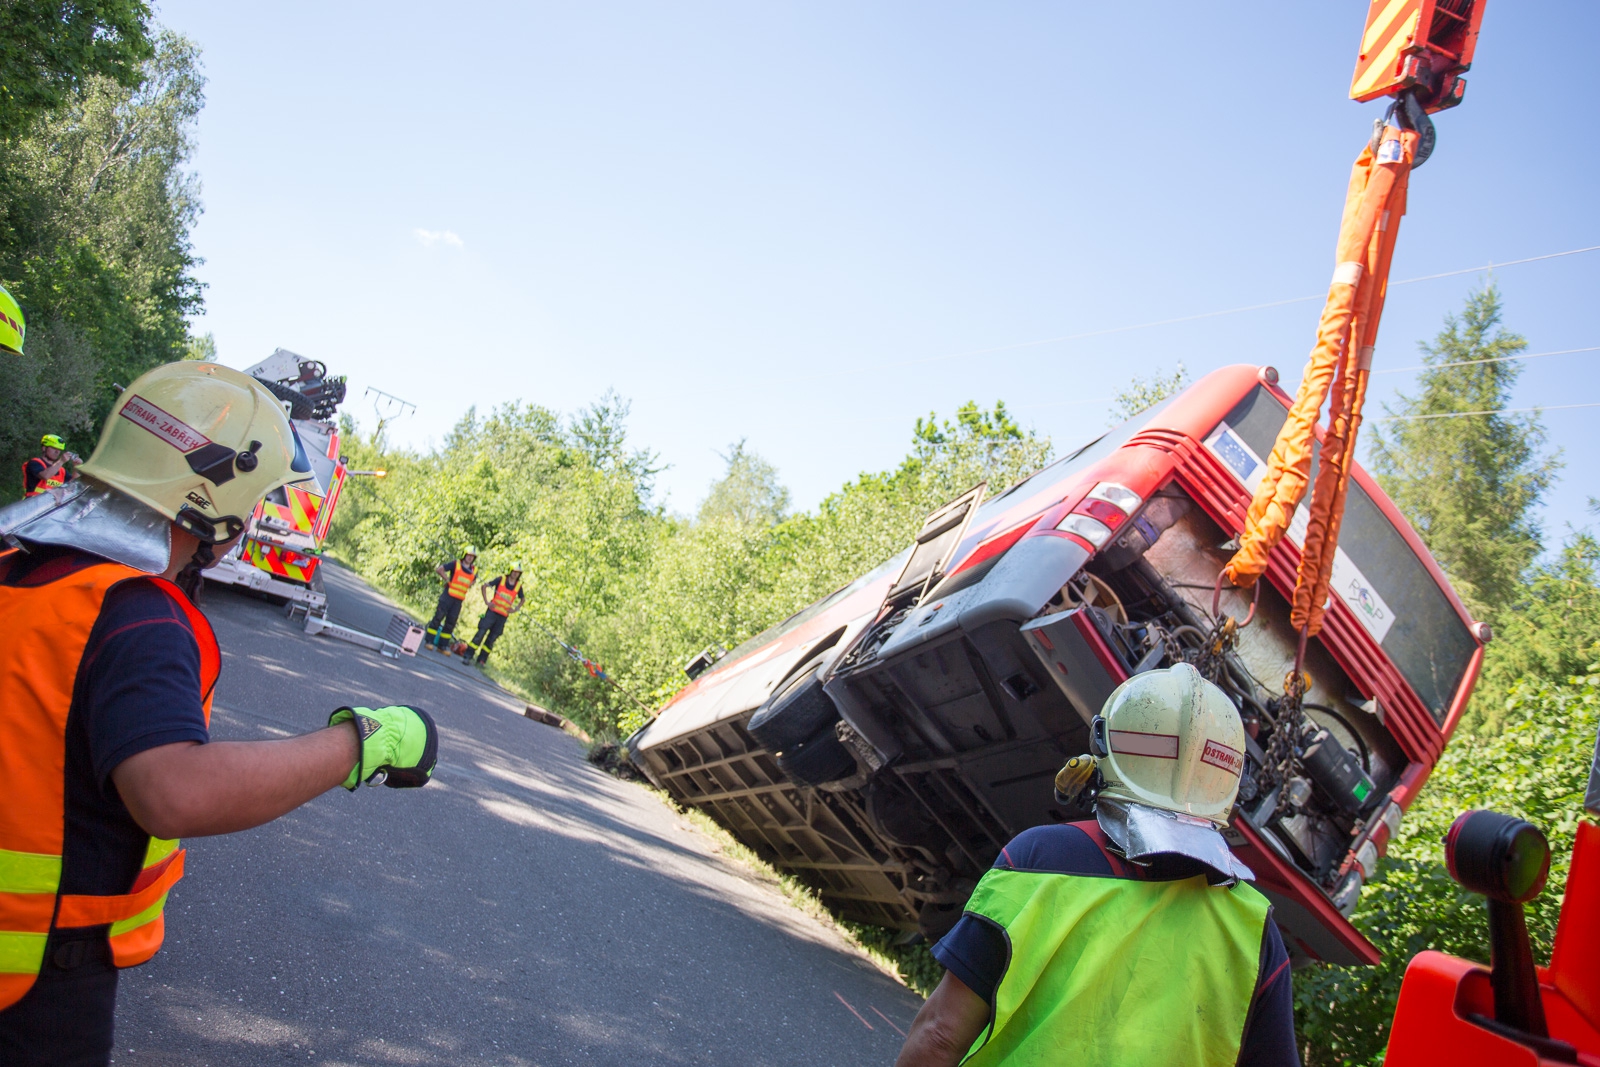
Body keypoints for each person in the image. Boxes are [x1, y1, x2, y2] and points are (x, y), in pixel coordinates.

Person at [0, 361, 438, 1067]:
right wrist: (362, 741)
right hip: (34, 986)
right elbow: (174, 792)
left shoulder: (20, 564)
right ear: (215, 505)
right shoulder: (134, 617)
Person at [894, 663, 1299, 1067]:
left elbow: (941, 1034)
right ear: (1228, 781)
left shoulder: (1038, 859)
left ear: (1106, 750)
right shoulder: (1255, 932)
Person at [461, 562, 525, 666]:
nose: (515, 574)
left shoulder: (518, 586)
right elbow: (485, 586)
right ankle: (468, 655)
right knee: (480, 633)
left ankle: (482, 660)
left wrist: (515, 609)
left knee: (491, 639)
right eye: (514, 572)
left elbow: (522, 599)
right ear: (511, 571)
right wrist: (487, 602)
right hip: (492, 612)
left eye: (518, 573)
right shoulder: (501, 579)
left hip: (502, 616)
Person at [424, 546, 478, 651]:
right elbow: (439, 569)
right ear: (465, 555)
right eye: (469, 555)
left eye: (472, 556)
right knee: (438, 618)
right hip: (448, 596)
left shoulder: (474, 570)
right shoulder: (456, 564)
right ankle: (429, 640)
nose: (470, 558)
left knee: (450, 623)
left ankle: (442, 645)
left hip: (458, 600)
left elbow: (473, 581)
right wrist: (448, 580)